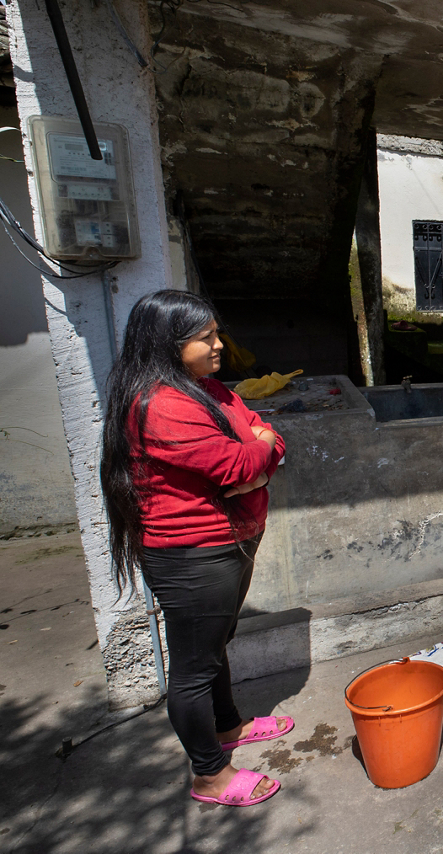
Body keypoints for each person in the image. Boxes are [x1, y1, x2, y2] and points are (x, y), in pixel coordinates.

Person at [100, 290, 291, 807]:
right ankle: (209, 775)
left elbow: (267, 437)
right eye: (203, 337)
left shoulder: (206, 390)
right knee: (193, 668)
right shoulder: (161, 405)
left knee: (216, 643)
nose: (217, 345)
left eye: (214, 332)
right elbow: (239, 465)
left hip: (230, 540)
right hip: (194, 551)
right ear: (166, 344)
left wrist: (258, 454)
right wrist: (255, 458)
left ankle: (228, 727)